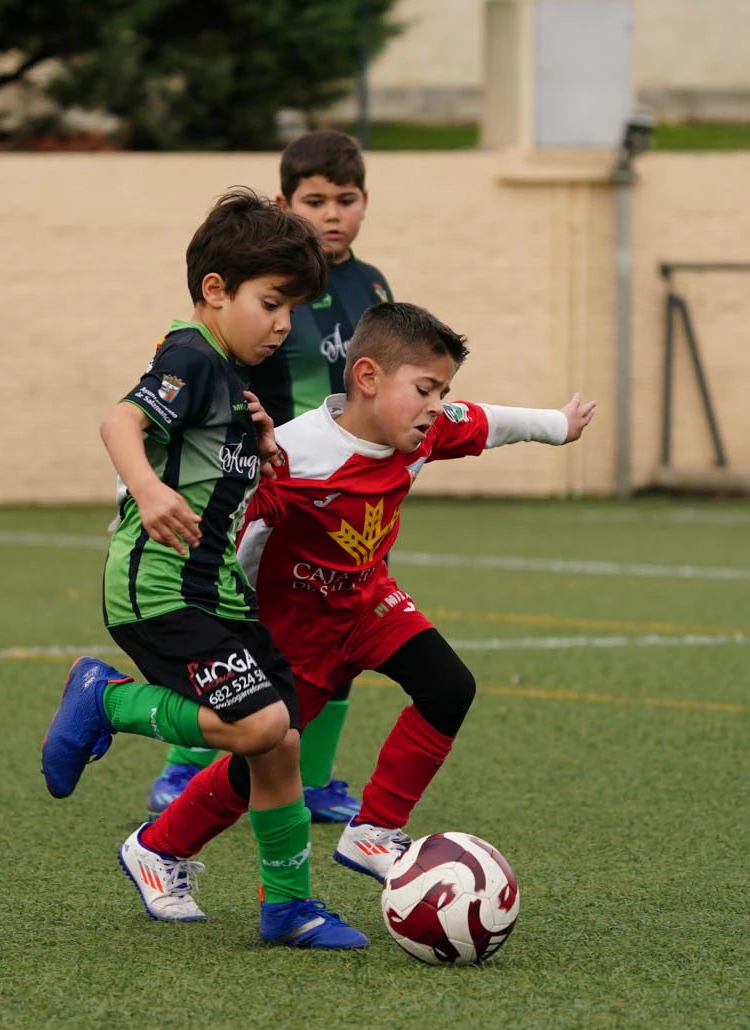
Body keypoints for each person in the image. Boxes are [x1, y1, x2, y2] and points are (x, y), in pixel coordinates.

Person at [119, 301, 595, 921]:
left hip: (369, 603)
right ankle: (157, 847)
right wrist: (149, 506)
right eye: (425, 388)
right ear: (368, 379)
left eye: (443, 389)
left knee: (449, 686)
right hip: (297, 635)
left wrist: (557, 424)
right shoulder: (291, 457)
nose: (437, 404)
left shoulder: (426, 429)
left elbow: (487, 421)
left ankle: (374, 829)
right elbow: (224, 516)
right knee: (261, 767)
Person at [40, 188, 368, 950]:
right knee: (258, 723)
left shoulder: (231, 375)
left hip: (217, 592)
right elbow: (120, 420)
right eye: (273, 303)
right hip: (158, 592)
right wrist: (148, 490)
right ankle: (106, 697)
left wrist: (262, 446)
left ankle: (289, 906)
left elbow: (212, 461)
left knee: (282, 740)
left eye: (294, 309)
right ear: (216, 291)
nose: (285, 324)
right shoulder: (190, 352)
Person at [147, 129, 392, 825]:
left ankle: (311, 778)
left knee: (338, 623)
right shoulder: (275, 281)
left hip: (340, 485)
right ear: (287, 203)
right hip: (267, 478)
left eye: (346, 199)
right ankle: (183, 768)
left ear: (366, 202)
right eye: (315, 200)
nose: (333, 214)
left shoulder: (371, 284)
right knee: (237, 624)